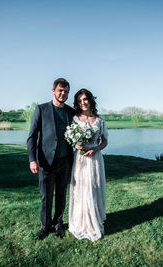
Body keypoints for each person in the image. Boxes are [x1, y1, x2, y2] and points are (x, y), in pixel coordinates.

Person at [27, 78, 76, 240]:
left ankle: (58, 224)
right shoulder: (41, 109)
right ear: (53, 91)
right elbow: (32, 137)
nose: (63, 94)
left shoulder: (71, 112)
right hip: (46, 162)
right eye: (61, 90)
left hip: (66, 161)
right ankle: (45, 226)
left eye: (66, 91)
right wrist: (32, 159)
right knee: (46, 196)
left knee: (61, 194)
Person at [68, 88, 108, 242]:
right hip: (80, 160)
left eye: (85, 99)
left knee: (93, 188)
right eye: (79, 101)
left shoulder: (100, 120)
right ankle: (81, 222)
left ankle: (94, 221)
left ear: (90, 100)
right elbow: (71, 139)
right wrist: (76, 145)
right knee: (81, 189)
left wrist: (95, 149)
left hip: (95, 159)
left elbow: (105, 141)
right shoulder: (75, 119)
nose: (83, 103)